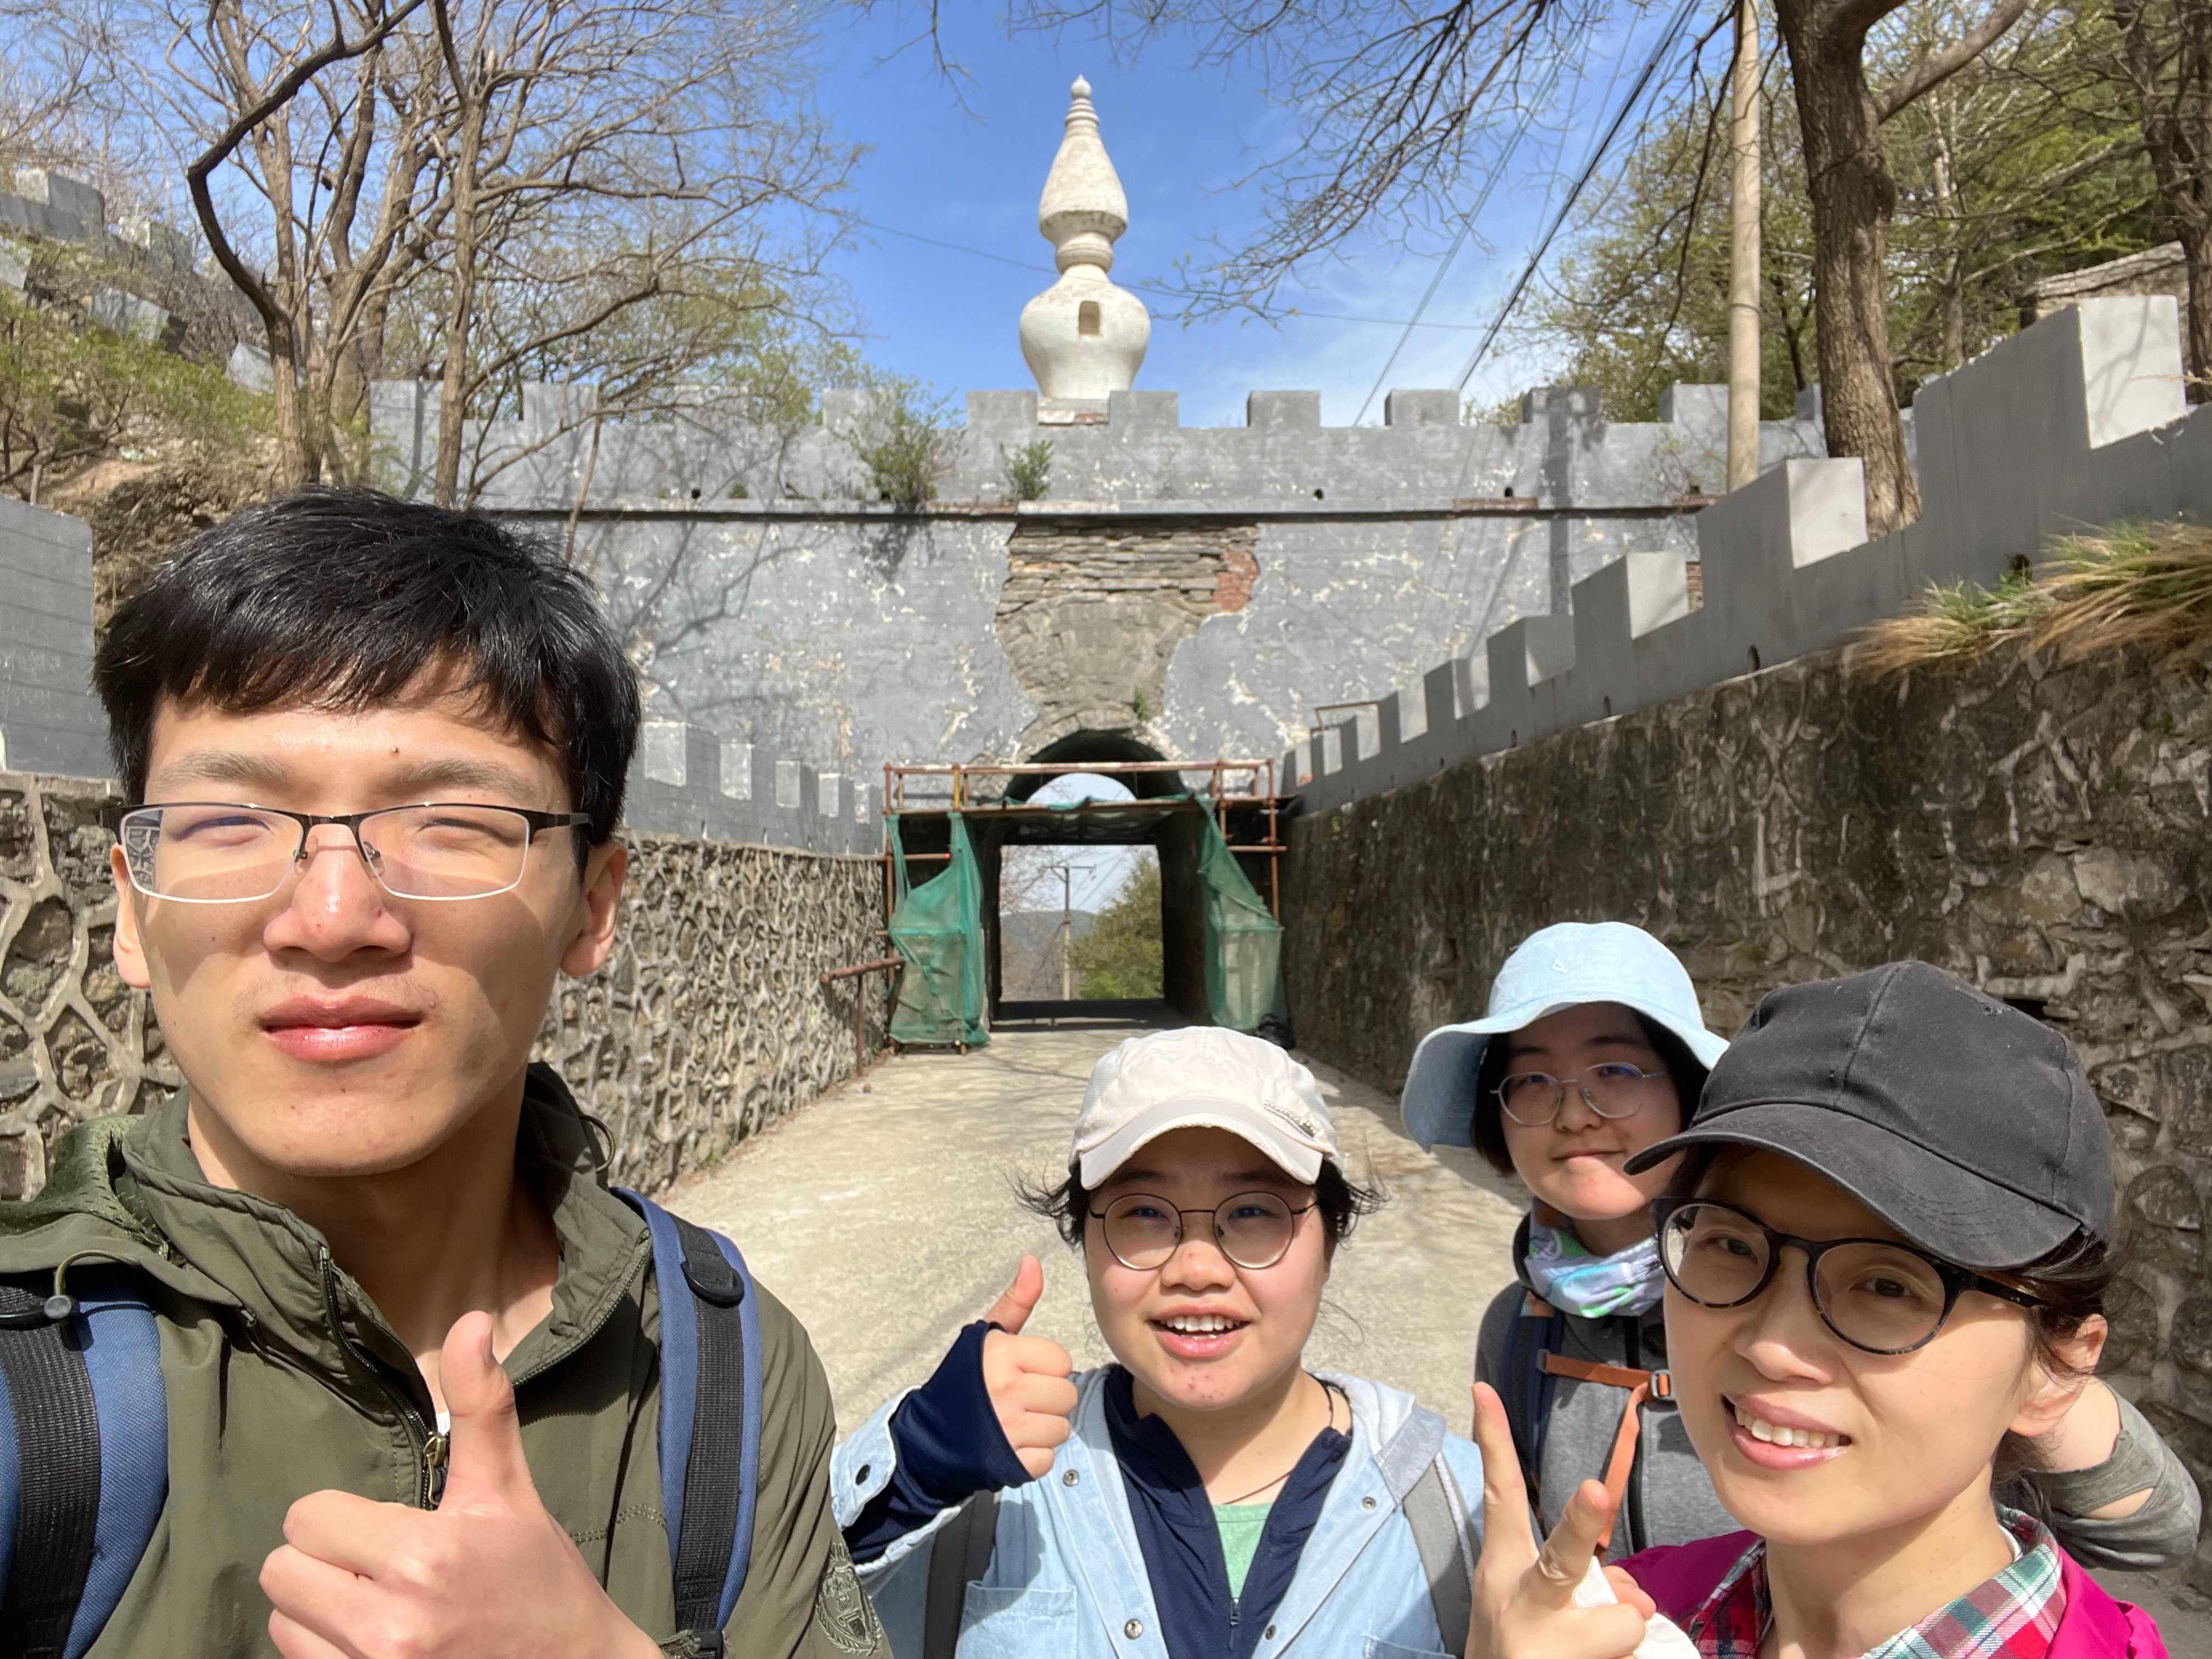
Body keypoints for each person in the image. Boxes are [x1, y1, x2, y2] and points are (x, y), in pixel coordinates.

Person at [0, 490, 884, 1658]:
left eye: (452, 822)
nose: (332, 917)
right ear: (128, 905)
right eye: (229, 821)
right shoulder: (26, 1386)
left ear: (593, 906)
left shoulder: (723, 1370)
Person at [1402, 923, 2198, 1566]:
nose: (1574, 1112)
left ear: (1690, 1090)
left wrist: (2031, 1369)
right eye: (1532, 1081)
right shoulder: (1521, 1328)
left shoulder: (1924, 1313)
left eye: (1615, 1071)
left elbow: (2151, 1529)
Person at [830, 1026, 1488, 1657]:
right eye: (1144, 1213)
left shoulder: (1460, 1510)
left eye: (1253, 1211)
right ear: (1084, 1243)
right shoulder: (984, 1487)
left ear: (1330, 1243)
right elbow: (790, 1616)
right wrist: (914, 1470)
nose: (1196, 1270)